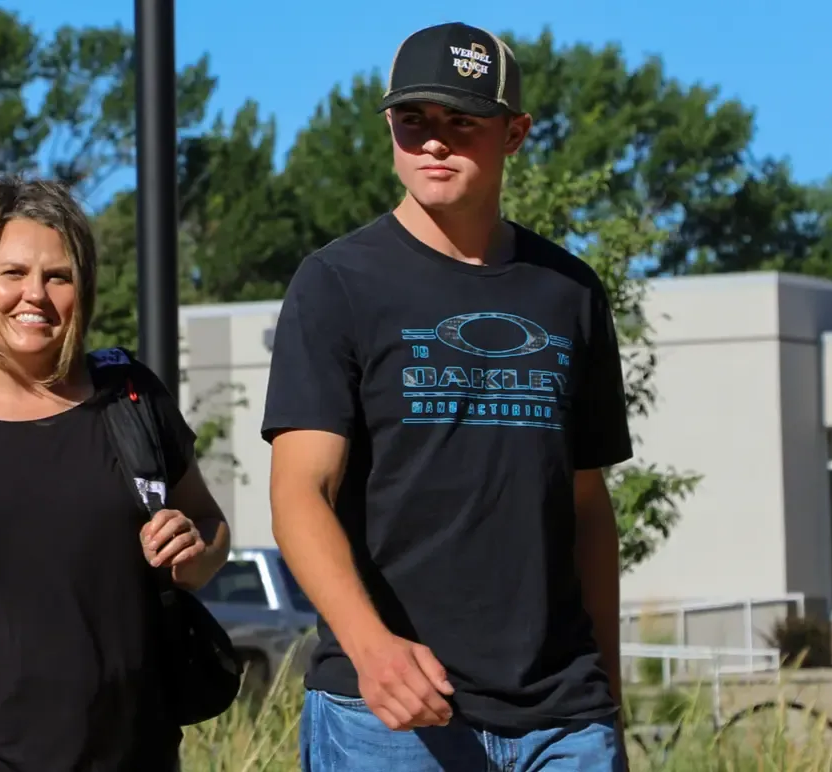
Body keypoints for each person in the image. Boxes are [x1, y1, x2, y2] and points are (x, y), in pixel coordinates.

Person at [261, 21, 634, 771]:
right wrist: (375, 652)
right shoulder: (337, 283)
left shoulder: (569, 291)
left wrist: (611, 697)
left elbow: (588, 510)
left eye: (462, 121)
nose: (433, 141)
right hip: (387, 716)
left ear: (516, 133)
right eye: (413, 121)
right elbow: (299, 491)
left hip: (563, 719)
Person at [0, 177, 229, 770]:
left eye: (58, 276)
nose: (36, 296)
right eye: (13, 273)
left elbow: (210, 526)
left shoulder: (131, 398)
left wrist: (195, 549)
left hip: (133, 755)